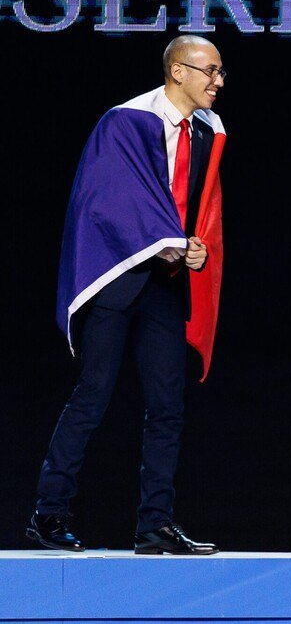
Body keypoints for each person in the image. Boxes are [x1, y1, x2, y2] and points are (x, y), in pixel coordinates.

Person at [27, 35, 227, 555]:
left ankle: (154, 525)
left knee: (167, 405)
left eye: (220, 72)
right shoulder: (126, 120)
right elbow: (104, 199)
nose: (218, 82)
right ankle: (49, 514)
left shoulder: (206, 130)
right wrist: (163, 241)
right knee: (93, 393)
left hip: (164, 283)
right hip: (117, 275)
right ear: (177, 71)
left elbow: (192, 205)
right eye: (209, 71)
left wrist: (195, 247)